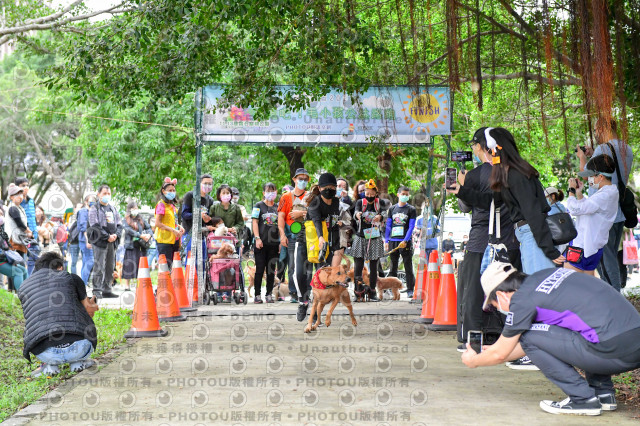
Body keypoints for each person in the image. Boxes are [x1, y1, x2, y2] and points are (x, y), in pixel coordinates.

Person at [462, 262, 640, 416]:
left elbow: (505, 352)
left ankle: (582, 399)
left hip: (612, 352)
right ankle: (603, 393)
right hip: (632, 342)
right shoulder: (546, 276)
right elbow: (529, 345)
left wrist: (474, 361)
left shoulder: (522, 300)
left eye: (493, 305)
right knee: (583, 325)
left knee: (529, 334)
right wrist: (492, 351)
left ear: (501, 295)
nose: (497, 309)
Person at [451, 127, 565, 274]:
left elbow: (533, 213)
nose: (490, 155)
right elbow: (492, 202)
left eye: (491, 150)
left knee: (538, 284)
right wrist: (461, 191)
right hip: (525, 235)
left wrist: (549, 250)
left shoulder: (516, 175)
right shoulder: (509, 173)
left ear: (499, 149)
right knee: (533, 283)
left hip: (532, 235)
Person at [452, 127, 522, 354]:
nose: (473, 149)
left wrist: (462, 186)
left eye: (474, 145)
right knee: (508, 286)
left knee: (474, 288)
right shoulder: (512, 172)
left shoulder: (474, 175)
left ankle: (473, 338)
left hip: (480, 240)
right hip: (509, 240)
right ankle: (507, 335)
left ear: (482, 146)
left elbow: (465, 206)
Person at [18, 251, 99, 378]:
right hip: (79, 348)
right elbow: (89, 311)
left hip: (45, 352)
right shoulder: (71, 278)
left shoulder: (24, 287)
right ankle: (78, 362)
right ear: (60, 267)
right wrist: (93, 306)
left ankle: (50, 366)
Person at [577, 120, 634, 292]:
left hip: (601, 213)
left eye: (596, 130)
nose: (595, 134)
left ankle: (614, 296)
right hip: (618, 212)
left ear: (604, 129)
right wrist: (594, 154)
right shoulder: (627, 149)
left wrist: (583, 158)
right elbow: (610, 172)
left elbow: (586, 176)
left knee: (603, 259)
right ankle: (614, 294)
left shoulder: (603, 149)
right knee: (610, 256)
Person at [295, 172, 348, 320]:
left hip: (326, 243)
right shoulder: (315, 202)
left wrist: (337, 246)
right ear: (319, 188)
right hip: (307, 242)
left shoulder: (337, 203)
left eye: (332, 187)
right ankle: (303, 302)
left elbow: (337, 224)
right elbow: (317, 221)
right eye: (325, 187)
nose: (329, 190)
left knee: (321, 276)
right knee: (301, 273)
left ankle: (316, 307)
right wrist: (320, 238)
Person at [564, 155, 618, 275]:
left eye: (591, 176)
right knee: (588, 283)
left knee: (570, 280)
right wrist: (579, 193)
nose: (588, 179)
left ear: (600, 176)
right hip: (592, 247)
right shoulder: (610, 192)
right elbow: (588, 209)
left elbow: (575, 209)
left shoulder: (604, 195)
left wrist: (571, 191)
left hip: (582, 246)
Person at [352, 179, 389, 302]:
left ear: (376, 193)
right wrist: (357, 215)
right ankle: (358, 292)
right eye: (367, 193)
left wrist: (381, 216)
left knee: (374, 266)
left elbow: (385, 214)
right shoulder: (360, 202)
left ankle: (372, 292)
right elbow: (355, 213)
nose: (369, 196)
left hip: (374, 237)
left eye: (371, 194)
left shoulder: (380, 203)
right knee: (358, 266)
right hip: (361, 237)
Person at [278, 168, 310, 303]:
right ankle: (293, 292)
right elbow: (281, 216)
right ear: (294, 179)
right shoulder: (285, 197)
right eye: (300, 179)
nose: (302, 181)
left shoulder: (310, 196)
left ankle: (306, 292)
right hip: (291, 235)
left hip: (308, 234)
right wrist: (282, 235)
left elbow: (315, 213)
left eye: (305, 179)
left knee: (307, 264)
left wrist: (302, 214)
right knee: (292, 265)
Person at [88, 184, 122, 298]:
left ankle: (107, 289)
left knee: (110, 266)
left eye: (108, 193)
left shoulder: (113, 209)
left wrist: (116, 235)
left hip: (112, 242)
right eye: (104, 193)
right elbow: (94, 225)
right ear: (99, 194)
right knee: (99, 266)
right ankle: (97, 290)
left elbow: (119, 224)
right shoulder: (94, 209)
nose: (107, 195)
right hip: (100, 242)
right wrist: (107, 236)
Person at [384, 185, 416, 298]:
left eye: (407, 195)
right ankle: (391, 289)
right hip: (393, 240)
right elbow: (388, 225)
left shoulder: (411, 209)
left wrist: (406, 240)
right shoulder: (392, 209)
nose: (405, 196)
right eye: (403, 194)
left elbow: (411, 226)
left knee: (408, 265)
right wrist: (386, 240)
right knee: (393, 266)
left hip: (405, 242)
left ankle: (410, 289)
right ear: (398, 195)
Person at [252, 182, 280, 303]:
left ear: (276, 192)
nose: (270, 193)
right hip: (261, 243)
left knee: (271, 271)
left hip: (274, 244)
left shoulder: (278, 207)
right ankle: (257, 294)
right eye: (268, 191)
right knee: (259, 270)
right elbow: (254, 222)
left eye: (273, 191)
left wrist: (280, 242)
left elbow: (281, 225)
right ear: (264, 193)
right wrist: (257, 238)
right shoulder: (258, 205)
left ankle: (269, 294)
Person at [154, 177, 185, 268]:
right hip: (164, 241)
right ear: (163, 191)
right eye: (170, 190)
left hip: (175, 240)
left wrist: (179, 227)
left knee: (174, 268)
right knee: (166, 268)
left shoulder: (172, 205)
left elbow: (171, 221)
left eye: (173, 190)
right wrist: (173, 230)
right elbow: (158, 223)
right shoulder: (161, 205)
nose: (172, 192)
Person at [122, 202, 152, 291]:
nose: (135, 210)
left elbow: (149, 227)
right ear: (129, 209)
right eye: (133, 208)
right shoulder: (125, 219)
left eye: (136, 208)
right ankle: (127, 285)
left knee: (140, 265)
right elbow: (128, 230)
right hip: (130, 245)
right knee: (129, 265)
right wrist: (140, 235)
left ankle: (139, 284)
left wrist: (149, 235)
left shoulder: (141, 218)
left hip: (141, 245)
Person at [14, 177, 39, 275]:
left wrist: (35, 231)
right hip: (22, 237)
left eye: (27, 185)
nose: (26, 187)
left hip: (34, 235)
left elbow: (33, 218)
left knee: (34, 260)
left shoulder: (31, 200)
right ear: (17, 187)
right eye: (23, 185)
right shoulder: (16, 202)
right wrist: (26, 231)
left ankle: (30, 281)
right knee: (20, 262)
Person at [0, 206, 28, 291]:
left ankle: (27, 292)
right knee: (18, 272)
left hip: (4, 259)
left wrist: (12, 259)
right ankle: (22, 295)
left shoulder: (2, 232)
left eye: (1, 214)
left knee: (23, 270)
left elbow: (6, 248)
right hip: (1, 260)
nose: (1, 216)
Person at [5, 184, 32, 265]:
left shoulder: (19, 207)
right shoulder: (12, 208)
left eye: (21, 194)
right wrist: (28, 232)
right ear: (11, 197)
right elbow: (19, 223)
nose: (20, 197)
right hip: (13, 241)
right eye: (17, 195)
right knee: (17, 265)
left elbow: (23, 223)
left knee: (20, 264)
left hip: (19, 240)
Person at [77, 194, 96, 284]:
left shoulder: (93, 212)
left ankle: (82, 284)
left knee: (85, 261)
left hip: (91, 240)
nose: (92, 202)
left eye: (94, 200)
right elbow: (84, 227)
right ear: (85, 202)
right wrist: (88, 240)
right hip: (85, 240)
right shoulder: (83, 211)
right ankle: (83, 283)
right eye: (90, 200)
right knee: (90, 261)